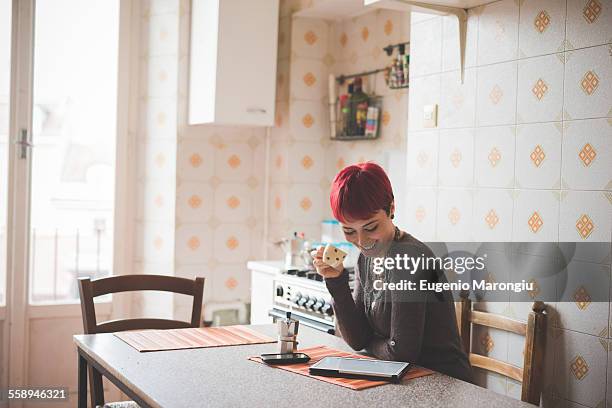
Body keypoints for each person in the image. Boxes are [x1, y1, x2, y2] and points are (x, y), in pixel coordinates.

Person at [312, 162, 473, 383]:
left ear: (392, 208)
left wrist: (371, 342)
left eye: (371, 228)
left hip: (443, 384)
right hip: (406, 381)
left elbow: (401, 354)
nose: (361, 241)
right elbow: (357, 339)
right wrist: (336, 281)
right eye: (349, 231)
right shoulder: (366, 259)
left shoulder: (409, 258)